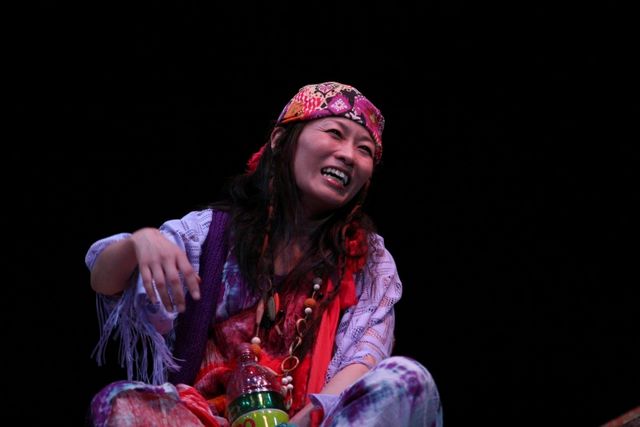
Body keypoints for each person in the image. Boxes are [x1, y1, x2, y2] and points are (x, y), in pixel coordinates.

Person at [86, 81, 443, 426]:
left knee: (407, 378)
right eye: (334, 133)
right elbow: (103, 280)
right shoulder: (212, 232)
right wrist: (139, 242)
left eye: (364, 149)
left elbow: (363, 360)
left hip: (312, 422)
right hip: (207, 419)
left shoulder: (369, 260)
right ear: (280, 140)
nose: (349, 155)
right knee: (119, 401)